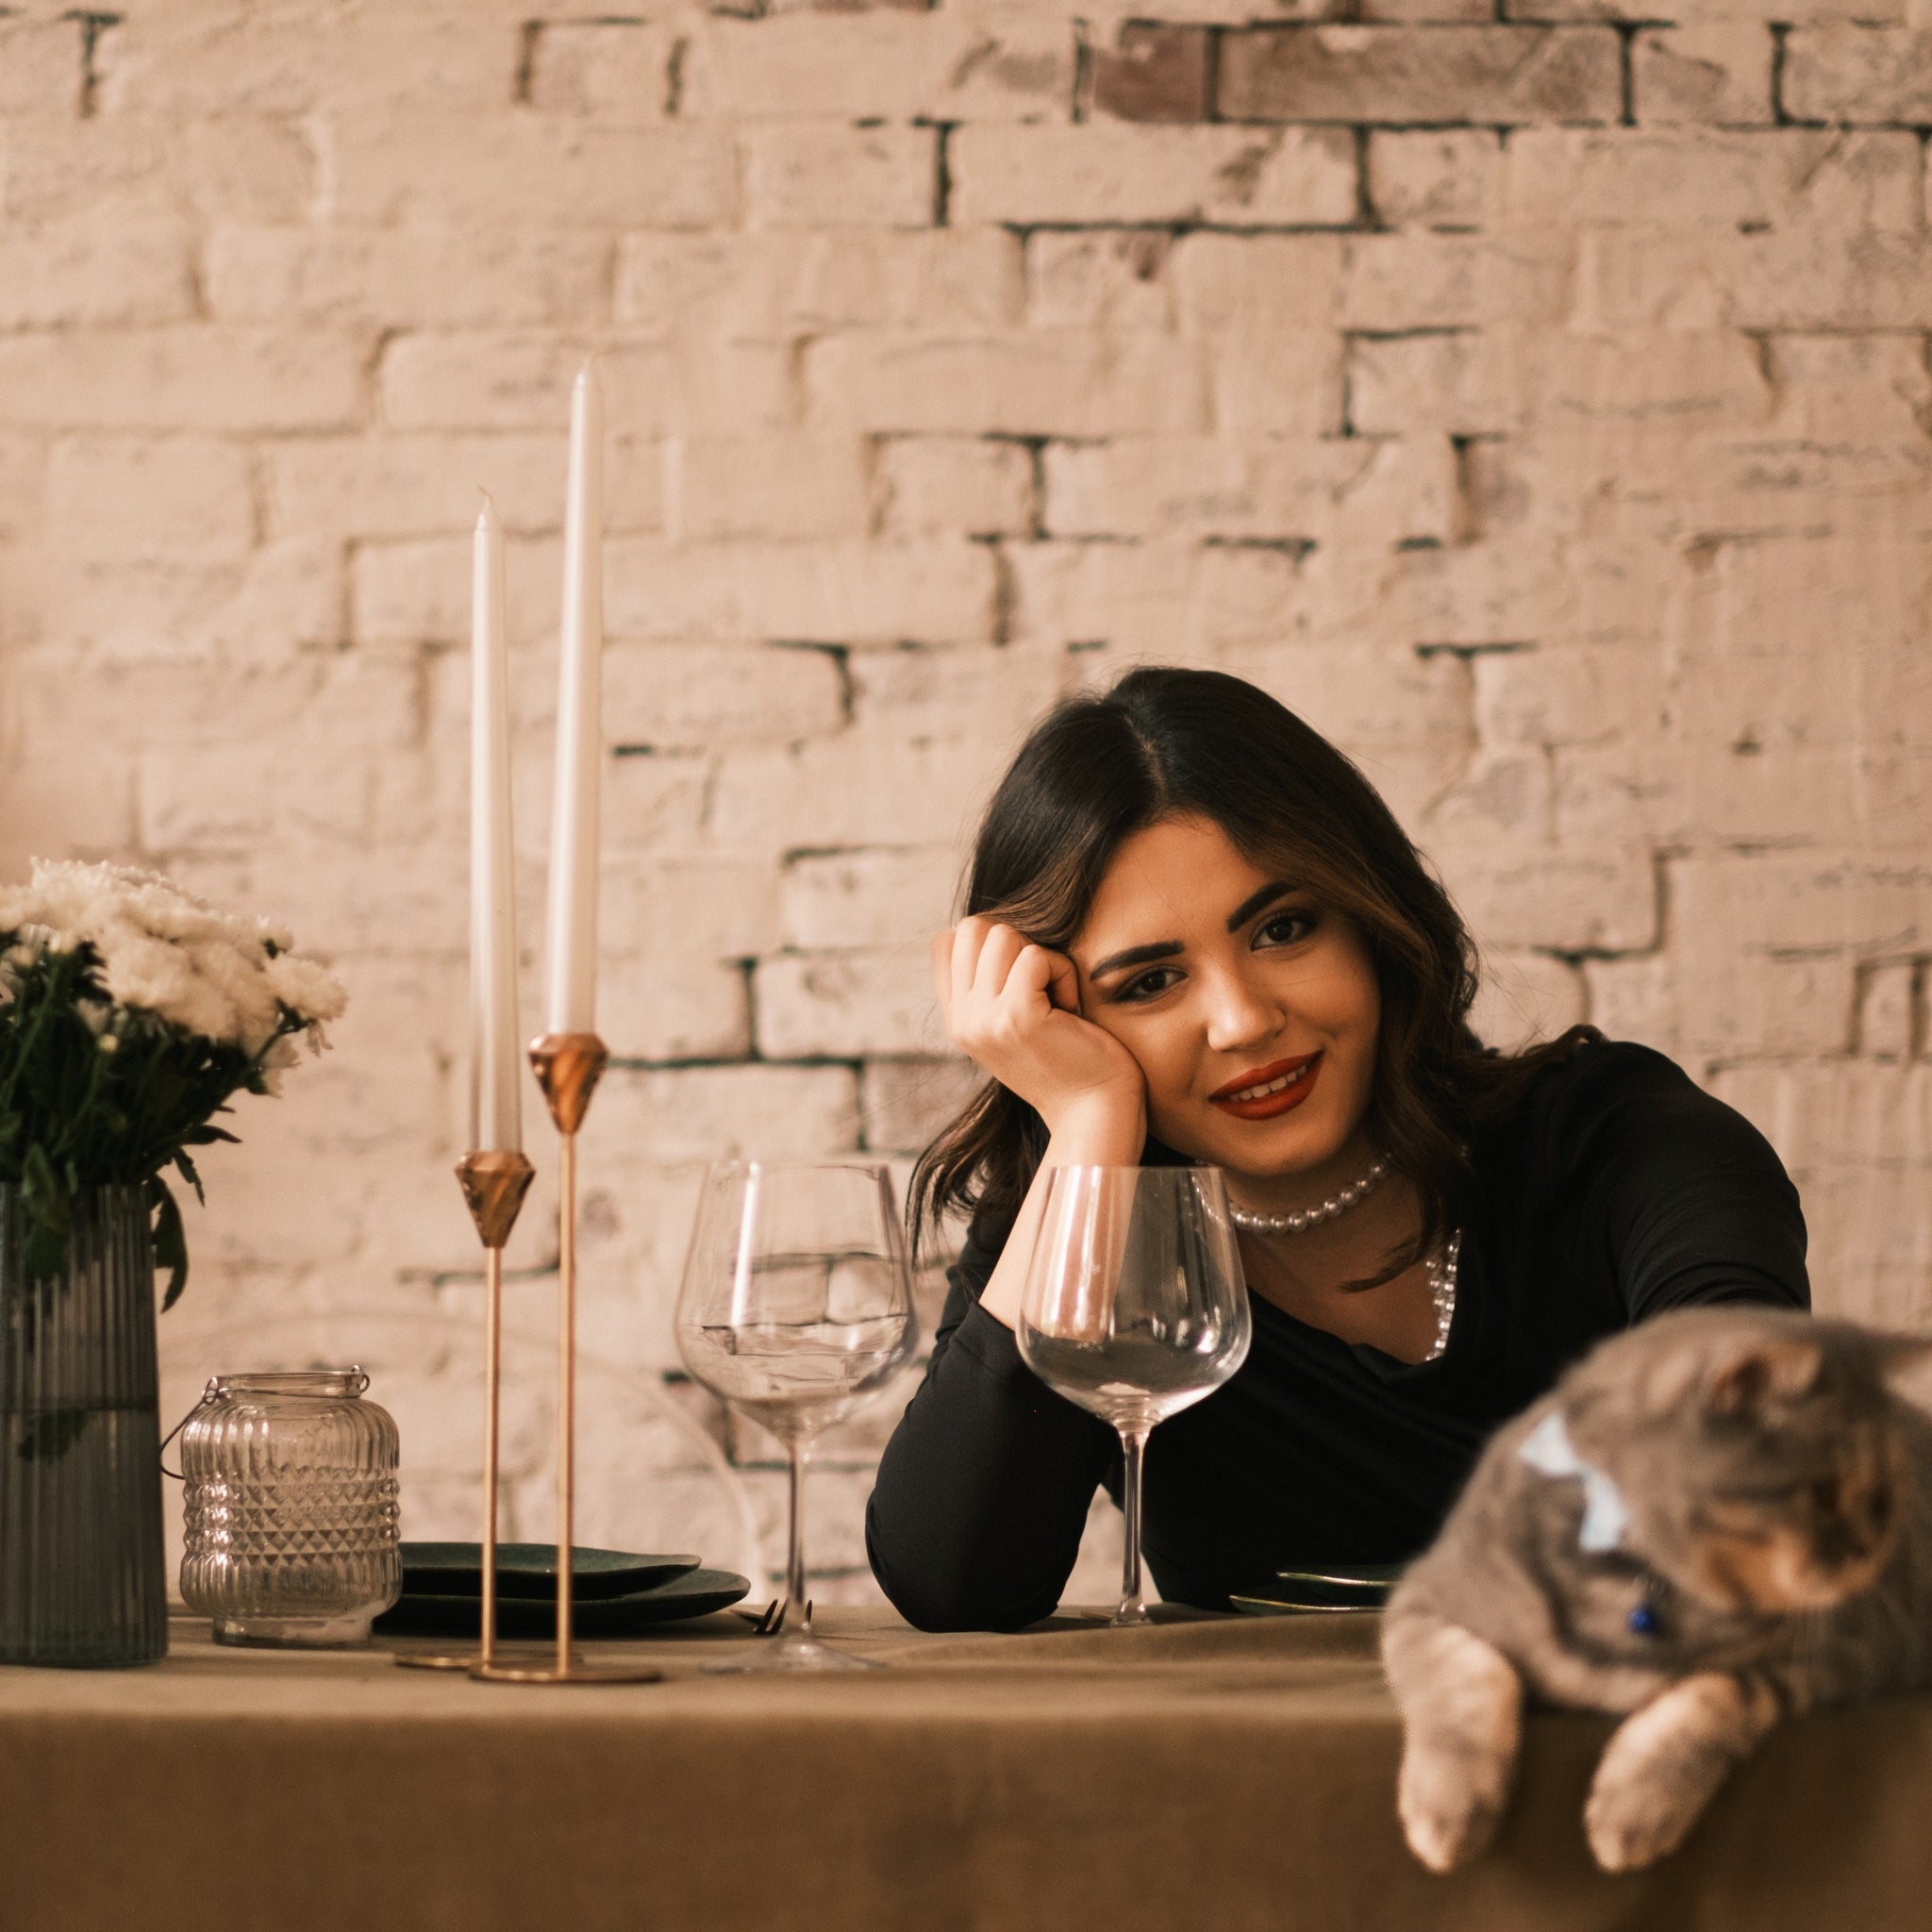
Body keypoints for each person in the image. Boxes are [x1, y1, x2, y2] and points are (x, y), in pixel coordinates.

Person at [865, 667, 1809, 1631]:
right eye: (1149, 982)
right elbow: (954, 1579)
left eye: (1282, 928)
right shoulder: (1080, 1222)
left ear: (1369, 917)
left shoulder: (1621, 1144)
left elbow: (1757, 1463)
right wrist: (1089, 1119)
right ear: (1064, 1011)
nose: (1240, 1020)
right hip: (1270, 1780)